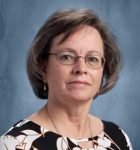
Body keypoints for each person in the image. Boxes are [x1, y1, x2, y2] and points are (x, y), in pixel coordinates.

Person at [0, 9, 133, 150]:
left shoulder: (118, 137)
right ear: (44, 69)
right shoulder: (14, 144)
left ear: (103, 71)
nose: (81, 68)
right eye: (66, 56)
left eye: (92, 59)